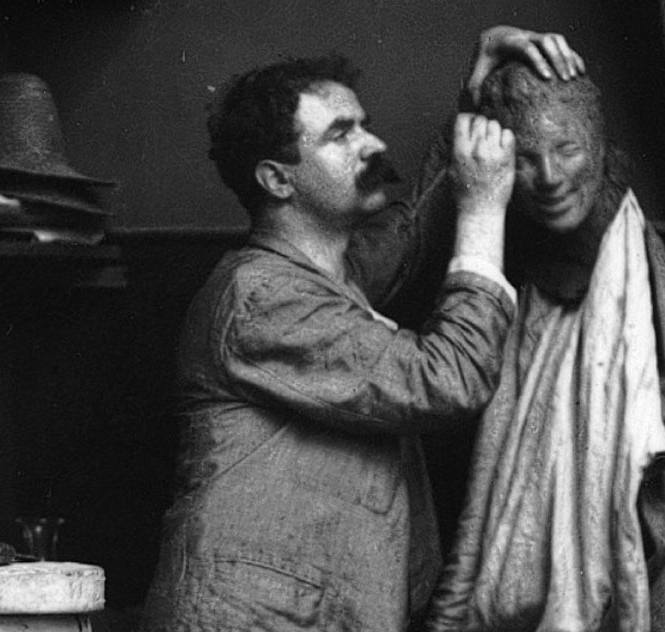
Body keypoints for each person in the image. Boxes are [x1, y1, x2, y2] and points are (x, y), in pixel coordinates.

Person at [139, 28, 585, 632]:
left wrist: (477, 96)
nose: (372, 143)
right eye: (340, 134)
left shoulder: (329, 274)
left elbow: (414, 229)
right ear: (277, 180)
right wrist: (483, 210)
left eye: (363, 123)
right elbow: (444, 379)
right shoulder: (262, 296)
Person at [425, 61, 665, 632]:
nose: (548, 176)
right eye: (523, 158)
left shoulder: (631, 262)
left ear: (600, 146)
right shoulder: (504, 273)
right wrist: (474, 87)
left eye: (567, 149)